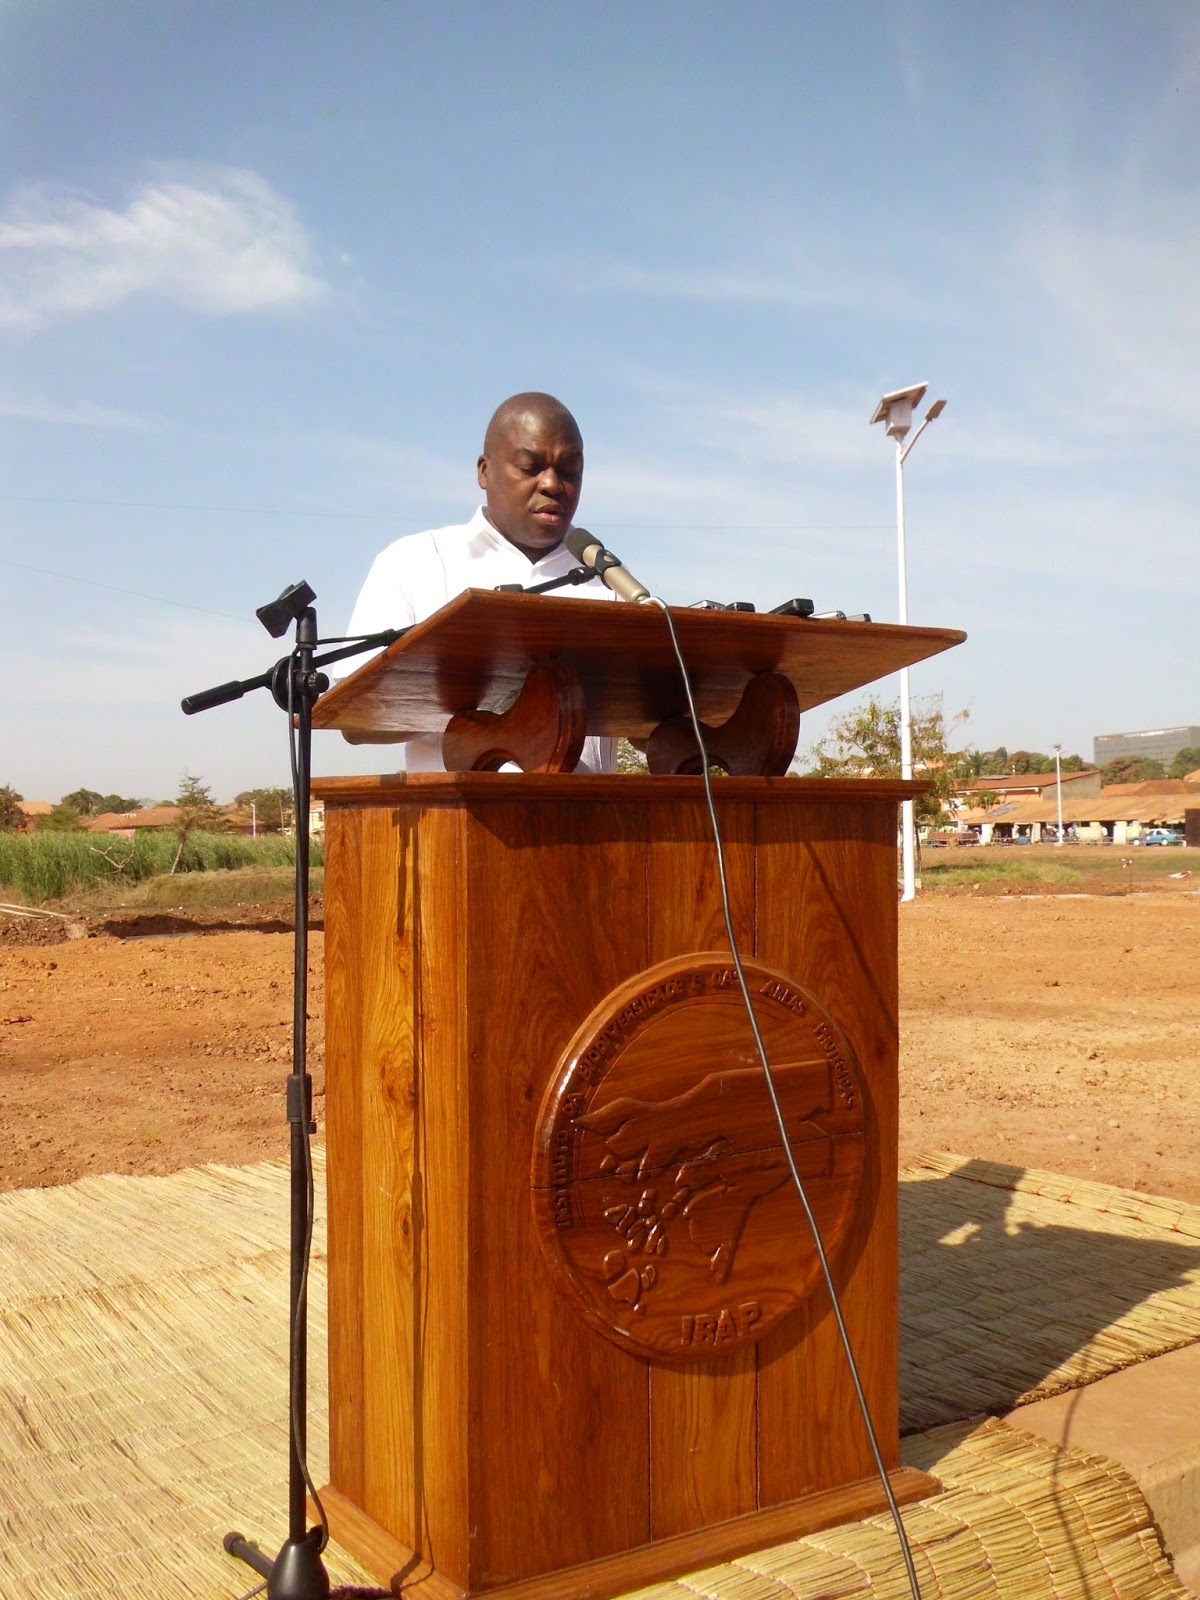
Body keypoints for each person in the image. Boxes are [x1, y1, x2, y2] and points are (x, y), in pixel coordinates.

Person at [342, 392, 616, 773]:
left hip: (592, 826)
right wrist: (492, 700)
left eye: (569, 470)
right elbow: (355, 718)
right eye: (529, 467)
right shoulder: (416, 562)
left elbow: (651, 721)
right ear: (484, 472)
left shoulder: (608, 581)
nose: (552, 484)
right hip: (459, 826)